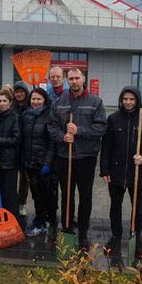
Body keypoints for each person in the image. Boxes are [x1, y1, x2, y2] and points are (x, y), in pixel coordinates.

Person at [48, 68, 107, 251]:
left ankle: (83, 233)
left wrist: (78, 131)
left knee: (85, 196)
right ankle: (67, 229)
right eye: (71, 78)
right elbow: (52, 126)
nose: (74, 81)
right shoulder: (58, 103)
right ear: (67, 80)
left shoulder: (95, 102)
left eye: (77, 78)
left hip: (86, 157)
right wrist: (62, 137)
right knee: (66, 195)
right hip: (65, 156)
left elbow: (101, 128)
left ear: (83, 79)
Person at [99, 86, 142, 258]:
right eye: (125, 99)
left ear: (137, 100)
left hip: (138, 173)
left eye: (132, 99)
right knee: (115, 206)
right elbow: (106, 146)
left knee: (138, 208)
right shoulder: (113, 119)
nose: (128, 102)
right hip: (116, 172)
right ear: (121, 99)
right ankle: (115, 235)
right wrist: (105, 170)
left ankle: (136, 236)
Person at [20, 88, 57, 237]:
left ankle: (50, 221)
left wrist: (47, 163)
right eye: (33, 99)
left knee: (48, 195)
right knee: (36, 194)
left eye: (39, 99)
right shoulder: (26, 115)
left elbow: (53, 142)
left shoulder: (49, 116)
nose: (35, 102)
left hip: (44, 164)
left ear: (45, 100)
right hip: (30, 163)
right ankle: (40, 220)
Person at [0, 86, 22, 218]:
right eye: (0, 101)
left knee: (10, 192)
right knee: (1, 191)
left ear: (10, 102)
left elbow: (16, 139)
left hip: (10, 161)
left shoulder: (14, 117)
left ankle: (13, 217)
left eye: (4, 101)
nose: (2, 103)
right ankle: (3, 215)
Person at [12, 81, 31, 216]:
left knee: (25, 179)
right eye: (17, 92)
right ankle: (11, 203)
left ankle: (21, 204)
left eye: (21, 91)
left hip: (26, 147)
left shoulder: (30, 107)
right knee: (12, 178)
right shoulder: (11, 107)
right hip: (13, 147)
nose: (19, 94)